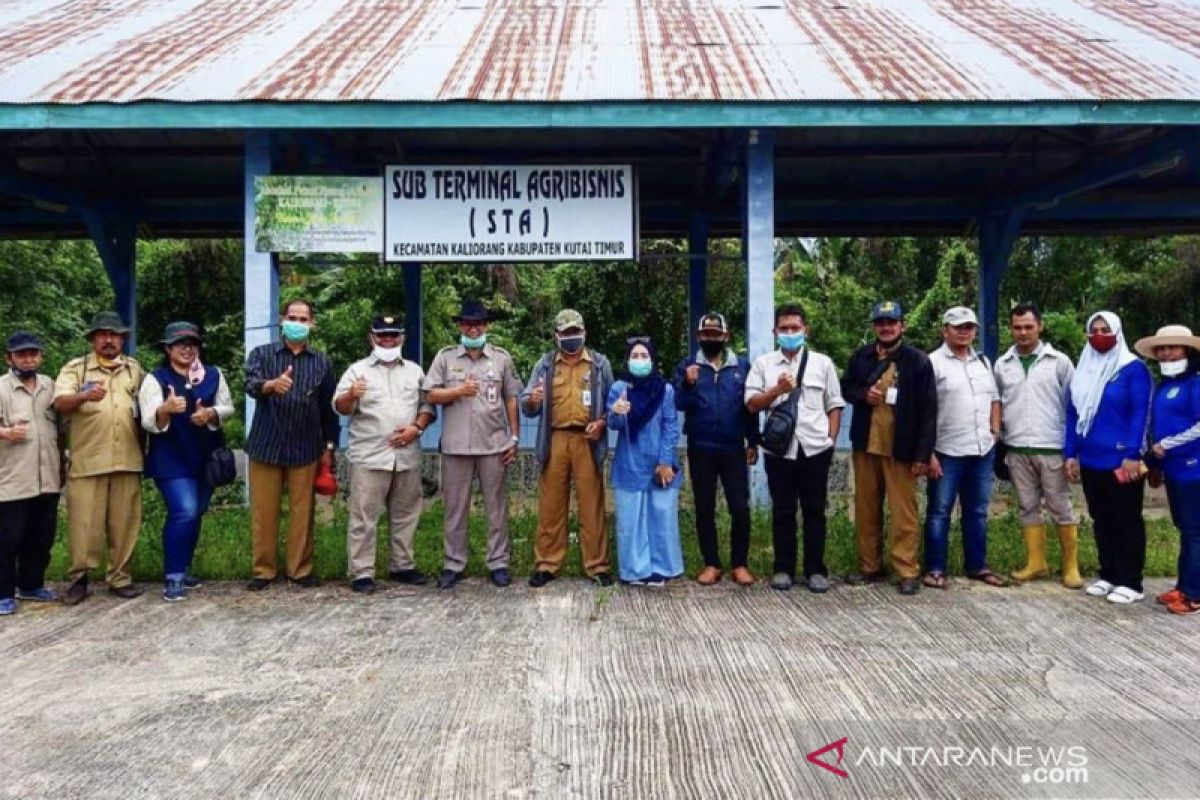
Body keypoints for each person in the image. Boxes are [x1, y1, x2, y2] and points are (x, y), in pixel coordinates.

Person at [745, 304, 845, 592]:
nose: (790, 333)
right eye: (784, 328)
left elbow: (834, 404)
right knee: (783, 510)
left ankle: (815, 569)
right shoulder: (764, 364)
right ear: (775, 331)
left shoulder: (823, 363)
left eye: (795, 328)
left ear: (805, 330)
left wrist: (831, 438)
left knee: (814, 510)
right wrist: (777, 390)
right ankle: (783, 568)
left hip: (815, 448)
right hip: (779, 450)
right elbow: (751, 404)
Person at [424, 300, 522, 589]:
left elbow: (512, 398)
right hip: (456, 448)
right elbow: (429, 395)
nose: (473, 327)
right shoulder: (446, 358)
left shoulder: (501, 358)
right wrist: (458, 390)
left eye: (478, 323)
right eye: (467, 323)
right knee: (455, 508)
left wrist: (514, 438)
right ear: (460, 326)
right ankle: (453, 564)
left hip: (494, 445)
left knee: (497, 508)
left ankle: (499, 563)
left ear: (486, 326)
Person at [841, 301, 937, 595]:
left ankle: (907, 570)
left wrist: (923, 454)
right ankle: (869, 566)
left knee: (903, 513)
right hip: (866, 446)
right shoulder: (861, 357)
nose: (886, 327)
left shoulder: (918, 361)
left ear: (902, 326)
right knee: (866, 510)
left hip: (901, 449)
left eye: (891, 322)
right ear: (874, 326)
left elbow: (929, 410)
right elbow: (845, 388)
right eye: (881, 322)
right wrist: (861, 394)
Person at [334, 314, 435, 594]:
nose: (387, 340)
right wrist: (352, 394)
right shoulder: (356, 371)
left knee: (406, 514)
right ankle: (361, 572)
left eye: (393, 335)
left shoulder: (415, 371)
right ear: (372, 338)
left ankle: (402, 565)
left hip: (407, 456)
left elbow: (428, 406)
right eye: (382, 335)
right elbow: (340, 407)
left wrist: (416, 428)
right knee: (364, 516)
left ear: (402, 337)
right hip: (370, 456)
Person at [244, 299, 339, 591]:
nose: (297, 323)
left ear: (312, 324)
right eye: (292, 317)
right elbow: (249, 384)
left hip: (306, 447)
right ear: (282, 320)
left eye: (303, 319)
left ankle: (300, 569)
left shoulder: (322, 362)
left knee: (303, 512)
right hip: (266, 445)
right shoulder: (261, 354)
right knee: (264, 511)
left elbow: (328, 408)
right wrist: (271, 386)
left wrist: (329, 449)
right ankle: (264, 570)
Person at [54, 311, 146, 604]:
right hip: (88, 460)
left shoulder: (134, 370)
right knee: (84, 525)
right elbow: (59, 402)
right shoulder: (76, 369)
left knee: (125, 523)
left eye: (114, 334)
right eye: (103, 335)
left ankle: (120, 577)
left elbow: (149, 409)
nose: (109, 340)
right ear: (93, 339)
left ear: (123, 339)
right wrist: (82, 397)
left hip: (128, 459)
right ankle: (80, 578)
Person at [139, 322, 235, 602]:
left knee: (198, 510)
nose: (187, 348)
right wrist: (165, 410)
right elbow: (147, 419)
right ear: (168, 348)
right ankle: (173, 576)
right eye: (180, 344)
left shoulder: (214, 375)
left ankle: (185, 566)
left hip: (205, 457)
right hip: (171, 458)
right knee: (185, 510)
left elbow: (227, 407)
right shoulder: (155, 379)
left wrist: (212, 414)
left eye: (192, 343)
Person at [521, 309, 615, 587]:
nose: (571, 337)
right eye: (566, 333)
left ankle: (597, 565)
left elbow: (614, 403)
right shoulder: (546, 364)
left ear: (584, 332)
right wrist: (533, 400)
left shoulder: (599, 364)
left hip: (588, 440)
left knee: (592, 504)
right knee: (551, 505)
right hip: (555, 439)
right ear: (556, 336)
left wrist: (602, 422)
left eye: (575, 332)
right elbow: (527, 402)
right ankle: (547, 564)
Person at [1065, 311, 1152, 605]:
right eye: (1094, 329)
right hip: (1091, 458)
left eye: (1106, 329)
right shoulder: (1084, 369)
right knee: (1101, 518)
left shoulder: (1132, 369)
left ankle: (1131, 581)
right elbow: (1073, 414)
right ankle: (1109, 574)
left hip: (1121, 461)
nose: (1099, 334)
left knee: (1126, 518)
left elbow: (1140, 414)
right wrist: (1070, 453)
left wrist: (1132, 454)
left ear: (1117, 332)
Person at [993, 301, 1081, 588]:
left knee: (1060, 506)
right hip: (1017, 447)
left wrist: (1072, 449)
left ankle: (1070, 566)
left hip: (1051, 446)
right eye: (1017, 327)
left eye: (1028, 327)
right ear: (1011, 329)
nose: (1023, 333)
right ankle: (1036, 562)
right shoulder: (1002, 364)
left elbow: (1074, 406)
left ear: (1040, 326)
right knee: (1027, 506)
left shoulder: (1059, 362)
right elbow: (998, 405)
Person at [672, 313, 759, 586]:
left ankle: (740, 564)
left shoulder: (742, 367)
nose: (711, 338)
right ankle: (711, 563)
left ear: (726, 336)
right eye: (706, 334)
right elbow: (678, 403)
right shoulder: (688, 366)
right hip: (701, 447)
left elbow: (751, 408)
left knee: (740, 508)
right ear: (699, 337)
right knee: (704, 507)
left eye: (715, 334)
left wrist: (753, 442)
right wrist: (687, 383)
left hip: (734, 447)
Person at [921, 307, 1004, 589]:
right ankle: (934, 568)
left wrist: (995, 431)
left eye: (969, 327)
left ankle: (977, 566)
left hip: (982, 450)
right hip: (946, 450)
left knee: (978, 511)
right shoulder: (931, 363)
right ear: (945, 330)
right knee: (939, 511)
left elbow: (994, 399)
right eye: (958, 327)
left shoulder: (983, 361)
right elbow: (923, 410)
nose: (964, 331)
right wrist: (927, 453)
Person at [608, 337, 683, 586]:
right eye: (634, 356)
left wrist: (665, 461)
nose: (639, 361)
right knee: (630, 520)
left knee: (661, 517)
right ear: (627, 360)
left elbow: (671, 426)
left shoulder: (666, 390)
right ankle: (633, 570)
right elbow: (613, 424)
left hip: (658, 462)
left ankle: (660, 568)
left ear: (653, 360)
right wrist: (616, 412)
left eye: (644, 356)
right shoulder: (620, 388)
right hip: (629, 462)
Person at [1136, 325, 1200, 615]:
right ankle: (1184, 584)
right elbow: (1157, 426)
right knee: (1185, 529)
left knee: (1194, 532)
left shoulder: (1195, 384)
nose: (1166, 352)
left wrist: (1166, 446)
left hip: (1193, 469)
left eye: (1172, 347)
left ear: (1186, 350)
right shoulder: (1165, 385)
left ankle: (1193, 594)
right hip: (1173, 470)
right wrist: (1157, 463)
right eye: (1161, 348)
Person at [0, 332, 63, 615]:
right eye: (22, 354)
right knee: (8, 538)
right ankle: (3, 593)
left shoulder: (50, 386)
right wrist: (6, 432)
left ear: (41, 357)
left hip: (47, 476)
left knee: (41, 536)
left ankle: (31, 585)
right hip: (12, 477)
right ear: (9, 358)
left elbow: (64, 424)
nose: (28, 359)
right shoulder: (1, 388)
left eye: (33, 354)